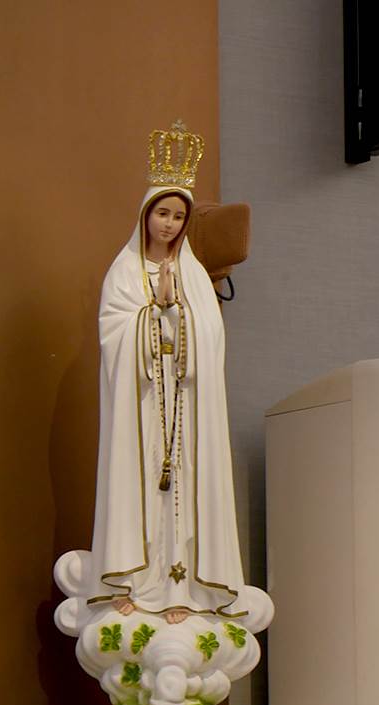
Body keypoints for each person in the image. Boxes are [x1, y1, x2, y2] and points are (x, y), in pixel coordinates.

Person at [88, 155, 247, 628]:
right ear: (146, 214)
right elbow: (113, 334)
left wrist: (176, 309)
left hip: (185, 404)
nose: (169, 224)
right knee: (141, 489)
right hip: (141, 404)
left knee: (183, 493)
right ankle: (134, 584)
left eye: (178, 216)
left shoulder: (192, 273)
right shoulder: (124, 271)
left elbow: (211, 338)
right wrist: (152, 310)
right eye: (162, 213)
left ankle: (183, 589)